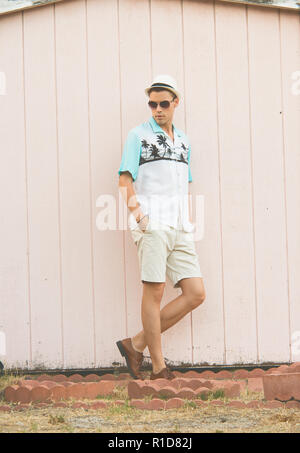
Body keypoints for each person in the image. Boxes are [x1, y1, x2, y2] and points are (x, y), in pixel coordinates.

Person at [117, 75, 206, 381]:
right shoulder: (137, 136)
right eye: (152, 104)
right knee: (153, 292)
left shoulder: (184, 141)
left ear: (175, 102)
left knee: (195, 293)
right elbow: (124, 180)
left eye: (163, 103)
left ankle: (136, 344)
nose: (157, 109)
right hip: (152, 224)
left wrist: (187, 220)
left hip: (179, 225)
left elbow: (182, 184)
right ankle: (157, 367)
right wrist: (141, 217)